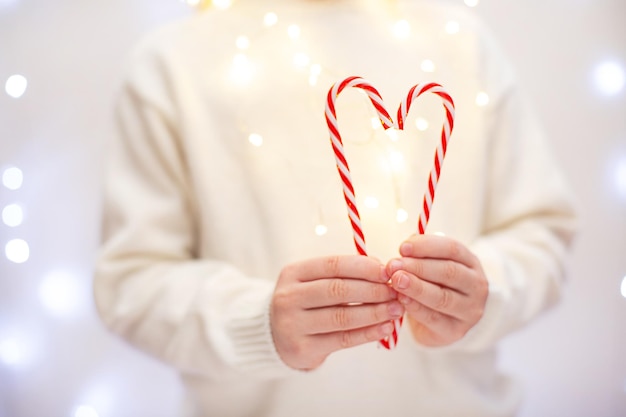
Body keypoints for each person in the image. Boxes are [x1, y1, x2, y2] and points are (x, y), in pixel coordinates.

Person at [94, 0, 578, 416]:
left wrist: (482, 291)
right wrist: (256, 322)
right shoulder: (172, 63)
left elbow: (542, 231)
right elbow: (131, 282)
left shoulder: (461, 41)